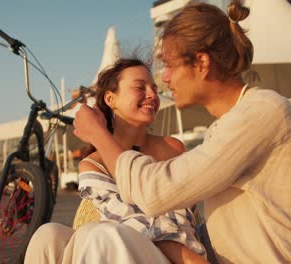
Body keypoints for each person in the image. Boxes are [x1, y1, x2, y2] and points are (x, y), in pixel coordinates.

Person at [73, 1, 291, 263]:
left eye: (169, 66)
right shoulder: (226, 126)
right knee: (51, 236)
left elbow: (155, 193)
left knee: (102, 238)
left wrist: (98, 134)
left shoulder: (261, 112)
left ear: (201, 63)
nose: (164, 80)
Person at [25, 58, 208, 264]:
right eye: (140, 87)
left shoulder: (171, 148)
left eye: (154, 89)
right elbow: (126, 221)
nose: (152, 95)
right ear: (111, 99)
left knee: (100, 234)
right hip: (128, 248)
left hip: (171, 255)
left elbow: (179, 219)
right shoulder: (93, 164)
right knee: (48, 234)